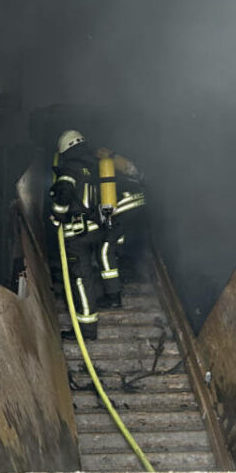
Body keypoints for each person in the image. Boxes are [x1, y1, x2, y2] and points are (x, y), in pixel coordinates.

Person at [49, 129, 102, 340]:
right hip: (93, 229)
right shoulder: (91, 168)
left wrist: (56, 218)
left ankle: (86, 330)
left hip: (77, 233)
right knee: (86, 275)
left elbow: (63, 194)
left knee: (80, 279)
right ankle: (87, 324)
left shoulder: (69, 169)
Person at [92, 147, 147, 308]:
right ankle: (124, 276)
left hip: (124, 205)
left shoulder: (105, 161)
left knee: (104, 250)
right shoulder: (110, 162)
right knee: (118, 241)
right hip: (133, 205)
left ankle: (113, 297)